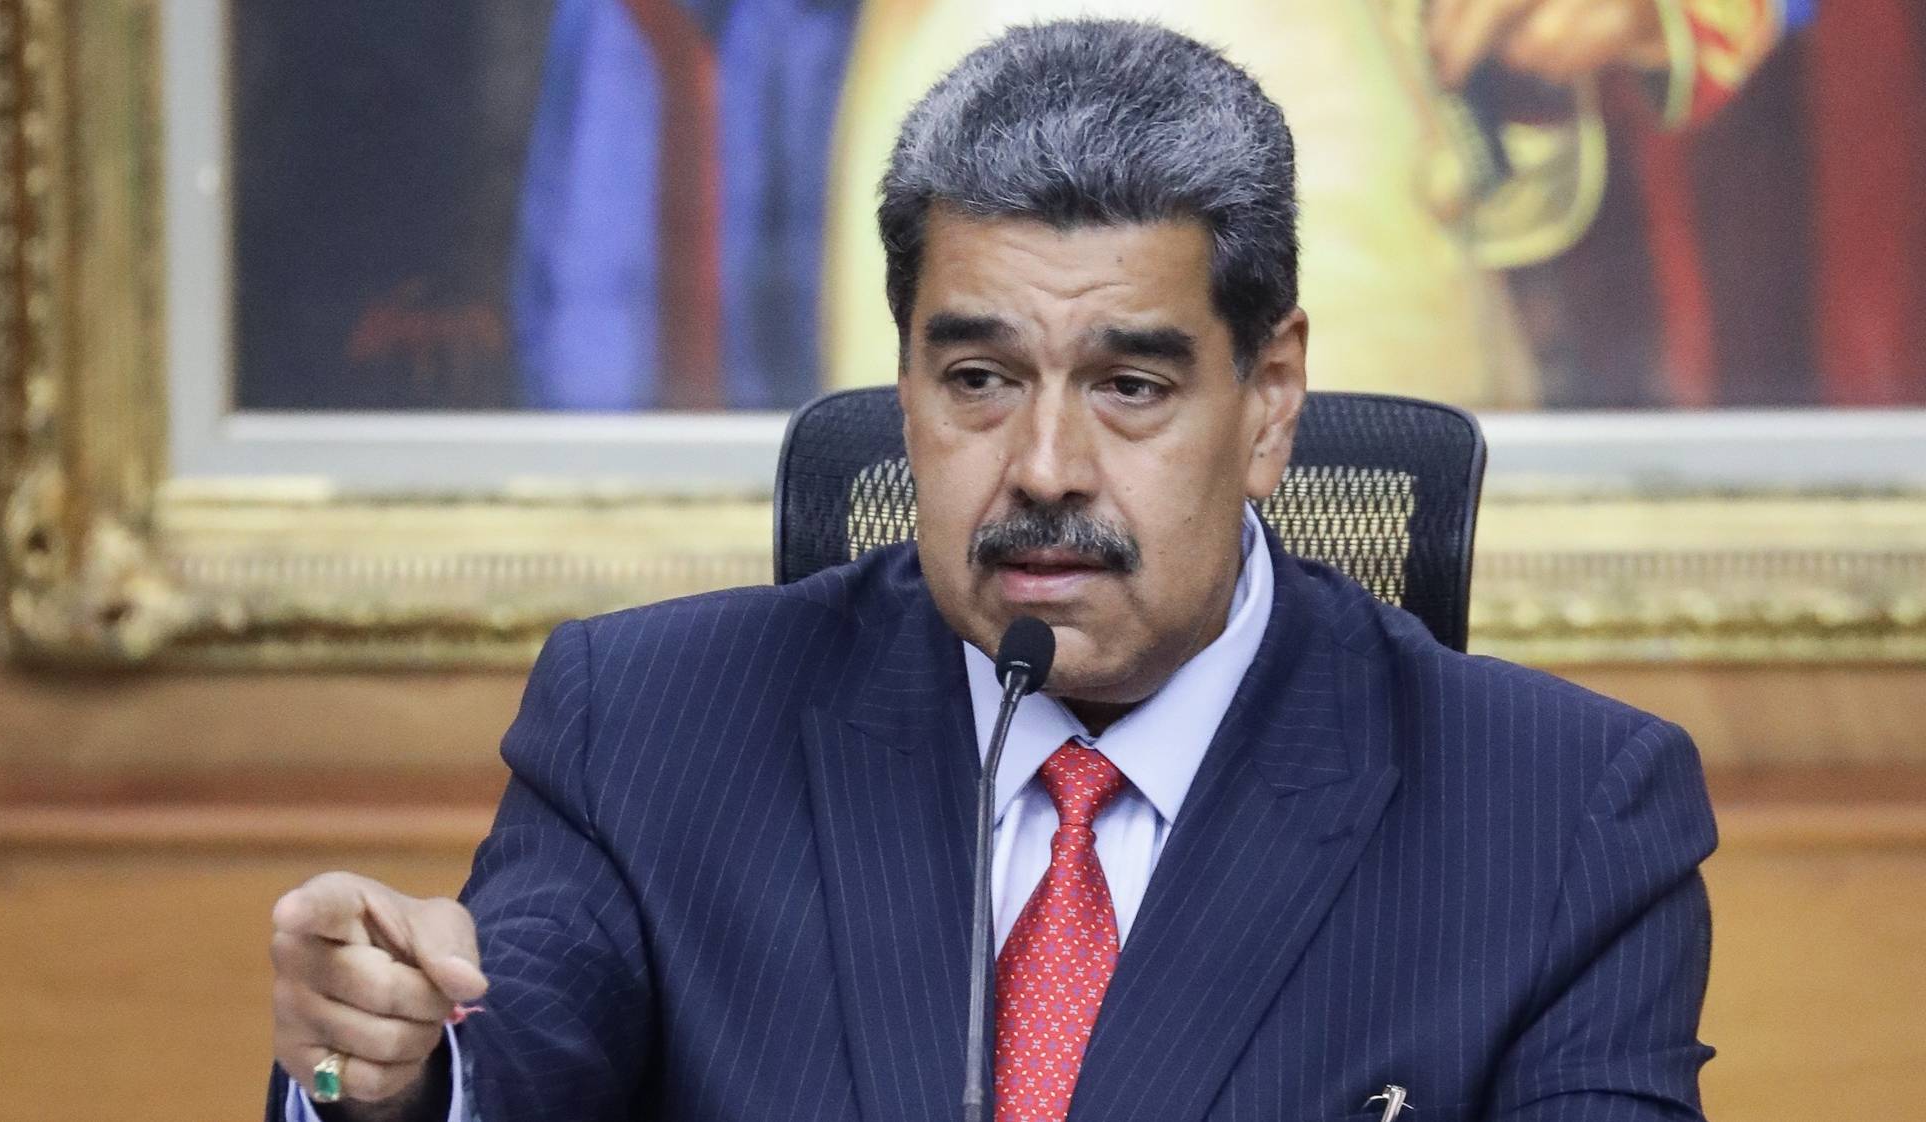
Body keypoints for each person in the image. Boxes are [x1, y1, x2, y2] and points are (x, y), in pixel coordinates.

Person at [269, 20, 1717, 1122]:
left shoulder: (1563, 824)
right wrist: (388, 1068)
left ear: (1270, 399)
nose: (1042, 466)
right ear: (902, 385)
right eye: (977, 376)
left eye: (1131, 388)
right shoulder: (645, 730)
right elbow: (504, 1045)